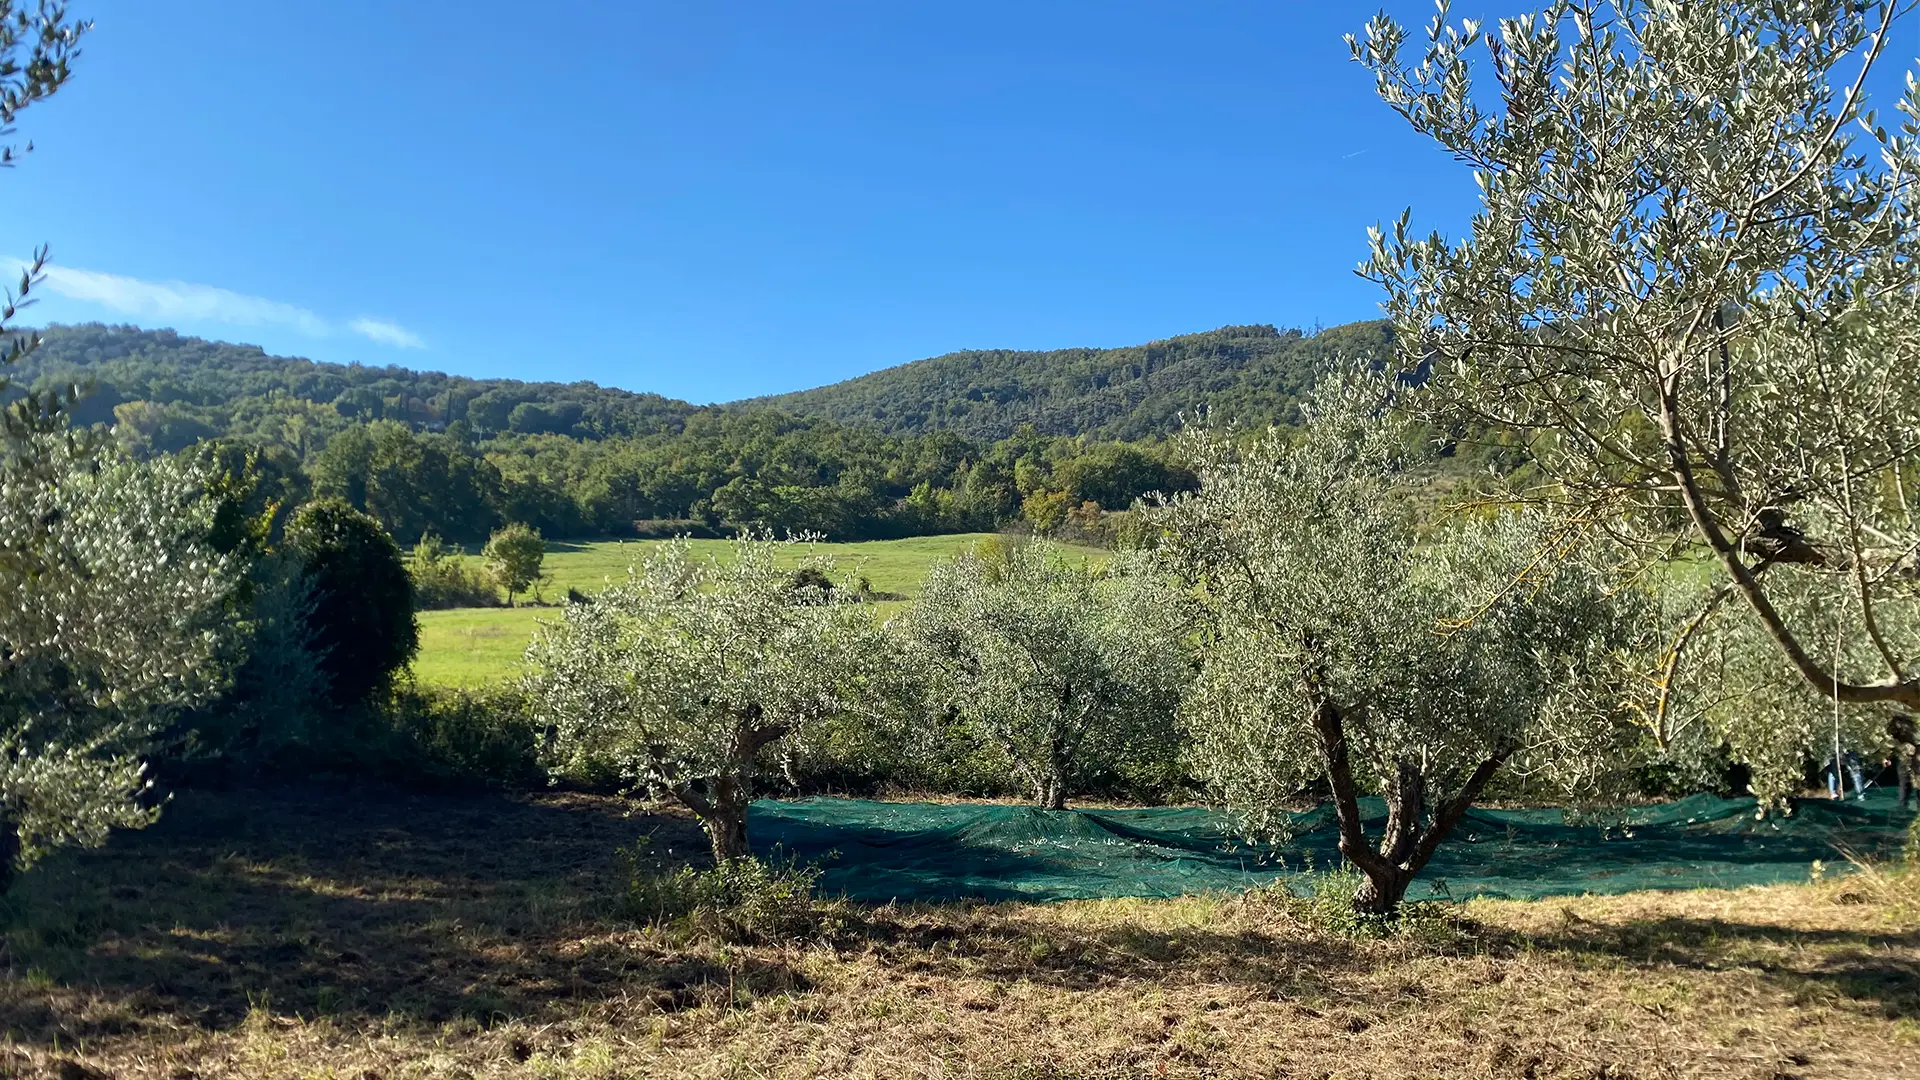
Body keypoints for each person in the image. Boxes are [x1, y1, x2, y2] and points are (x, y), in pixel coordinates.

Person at [1889, 714, 1919, 808]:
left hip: (1909, 758)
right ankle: (1904, 806)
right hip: (1910, 758)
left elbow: (1891, 744)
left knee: (1905, 784)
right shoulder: (1909, 726)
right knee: (1907, 783)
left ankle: (1903, 806)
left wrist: (1887, 757)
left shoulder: (1898, 728)